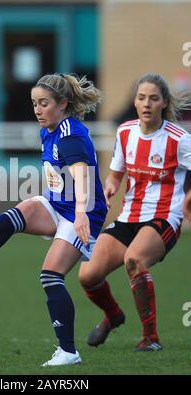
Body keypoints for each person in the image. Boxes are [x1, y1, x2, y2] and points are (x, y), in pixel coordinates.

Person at [0, 73, 108, 366]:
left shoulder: (70, 134)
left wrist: (81, 213)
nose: (37, 110)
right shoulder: (49, 129)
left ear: (63, 103)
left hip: (83, 212)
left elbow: (82, 175)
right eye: (34, 104)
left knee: (50, 275)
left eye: (44, 104)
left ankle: (68, 352)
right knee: (17, 214)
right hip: (58, 203)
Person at [79, 72, 191, 352]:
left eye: (154, 98)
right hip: (130, 216)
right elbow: (116, 174)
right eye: (142, 98)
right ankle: (113, 315)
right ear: (135, 101)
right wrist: (110, 187)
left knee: (134, 260)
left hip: (165, 217)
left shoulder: (179, 139)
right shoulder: (126, 132)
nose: (147, 103)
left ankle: (150, 338)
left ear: (164, 102)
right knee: (87, 275)